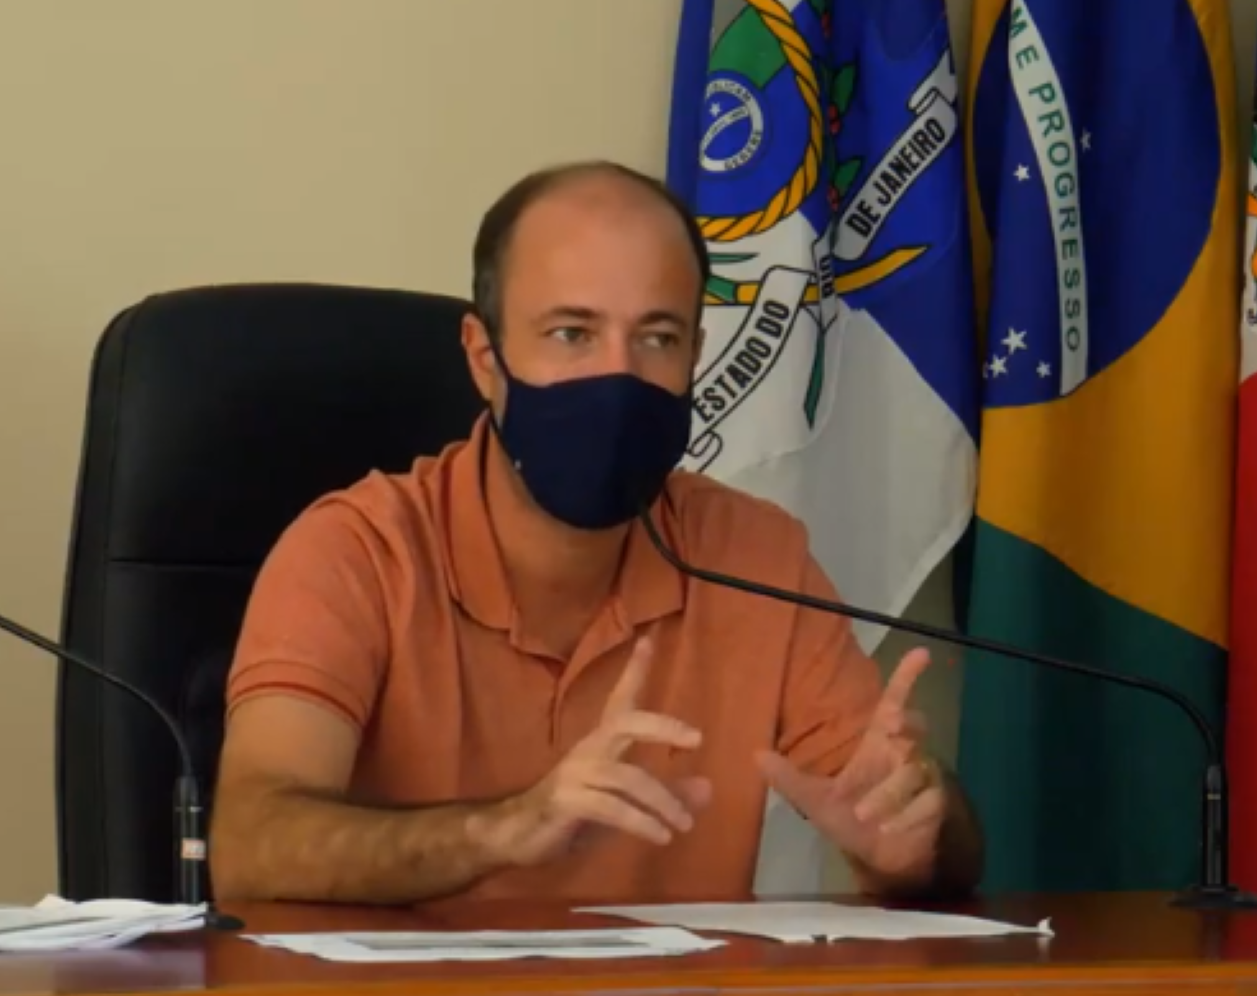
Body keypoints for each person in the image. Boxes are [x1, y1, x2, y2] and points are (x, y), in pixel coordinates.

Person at [208, 160, 983, 909]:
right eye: (573, 333)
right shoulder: (357, 552)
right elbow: (250, 846)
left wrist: (918, 836)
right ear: (484, 358)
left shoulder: (755, 556)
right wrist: (503, 828)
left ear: (695, 356)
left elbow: (928, 842)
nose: (619, 377)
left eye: (658, 338)